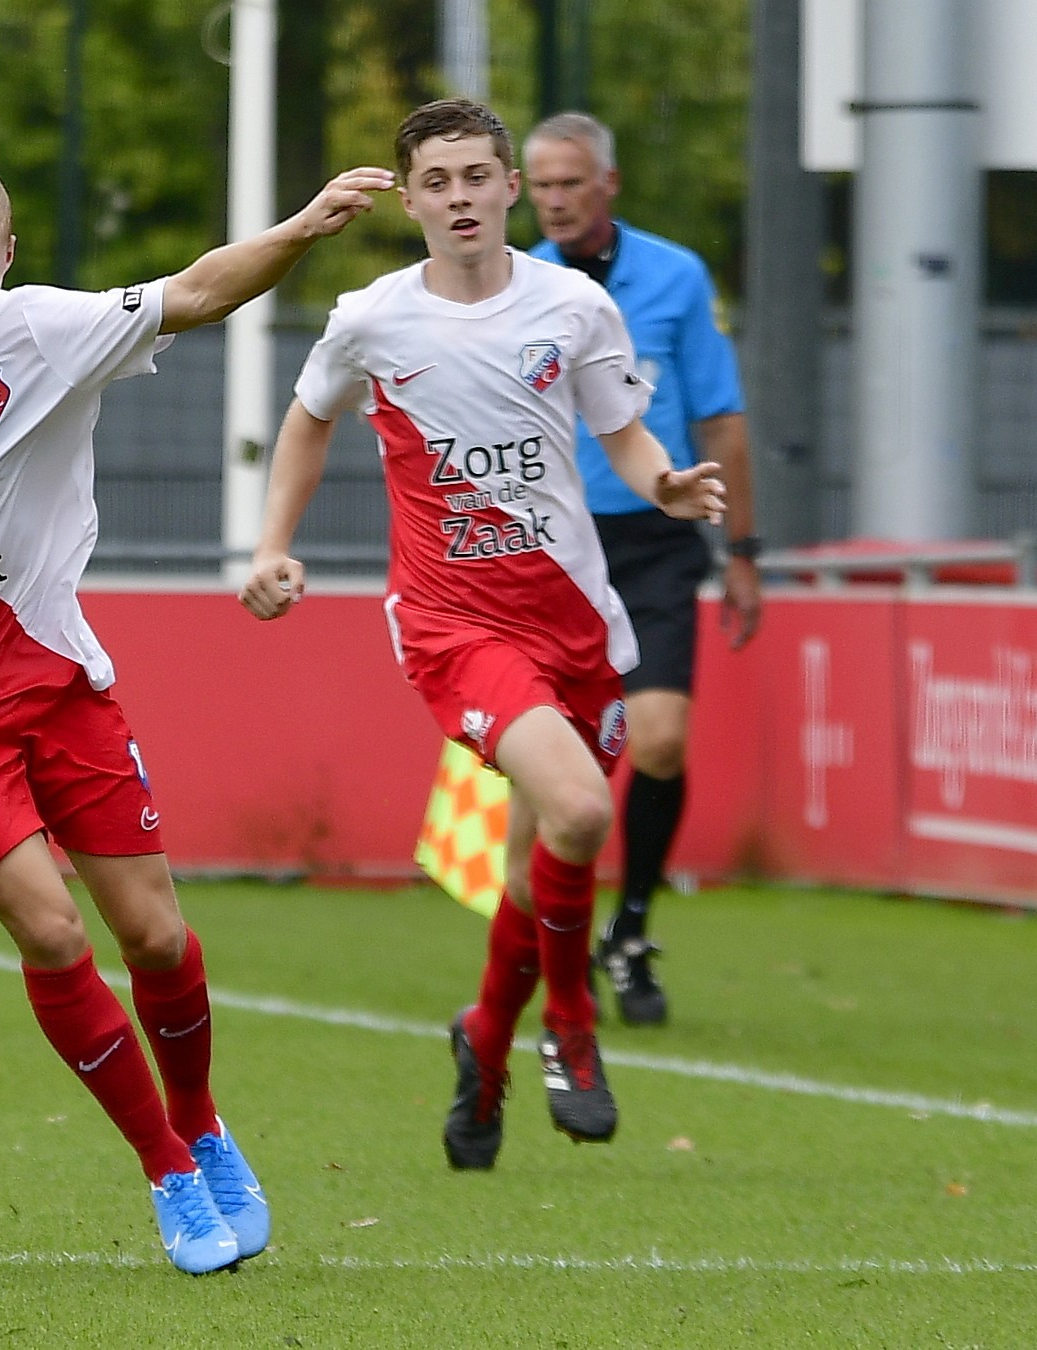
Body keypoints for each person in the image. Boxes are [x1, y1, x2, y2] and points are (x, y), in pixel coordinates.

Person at [0, 155, 392, 1274]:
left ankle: (202, 1125)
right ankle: (166, 1171)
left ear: (8, 258)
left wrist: (304, 227)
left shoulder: (46, 331)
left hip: (58, 681)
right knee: (54, 932)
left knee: (154, 935)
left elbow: (196, 290)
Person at [241, 100, 725, 1171]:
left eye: (475, 176)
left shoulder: (575, 306)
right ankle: (573, 1028)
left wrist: (665, 485)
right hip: (454, 624)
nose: (459, 196)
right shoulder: (372, 318)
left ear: (512, 188)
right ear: (410, 202)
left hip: (577, 620)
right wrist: (272, 545)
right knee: (583, 809)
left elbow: (623, 433)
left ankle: (486, 1042)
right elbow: (309, 418)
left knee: (542, 866)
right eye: (437, 181)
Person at [523, 112, 761, 1028]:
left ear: (608, 184)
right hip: (553, 544)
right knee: (558, 764)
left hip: (657, 538)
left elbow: (721, 419)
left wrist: (743, 552)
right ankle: (549, 939)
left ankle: (629, 928)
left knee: (658, 743)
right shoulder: (516, 282)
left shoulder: (676, 277)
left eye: (570, 182)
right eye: (541, 185)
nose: (555, 200)